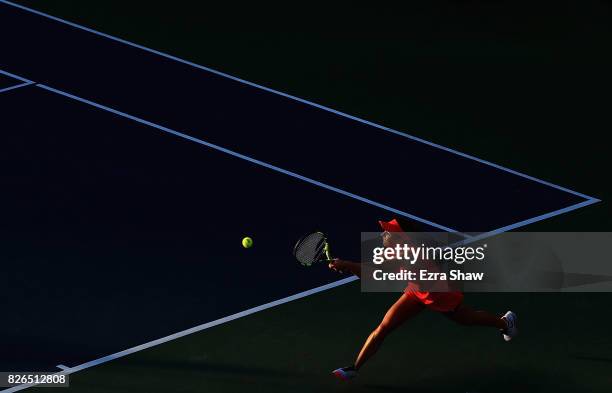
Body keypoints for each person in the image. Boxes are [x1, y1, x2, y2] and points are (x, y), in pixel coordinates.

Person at [329, 218, 518, 381]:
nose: (383, 233)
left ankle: (504, 322)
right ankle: (354, 368)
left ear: (402, 237)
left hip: (438, 294)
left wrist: (349, 265)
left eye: (389, 231)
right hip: (416, 291)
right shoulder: (395, 250)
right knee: (383, 328)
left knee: (467, 319)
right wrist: (349, 267)